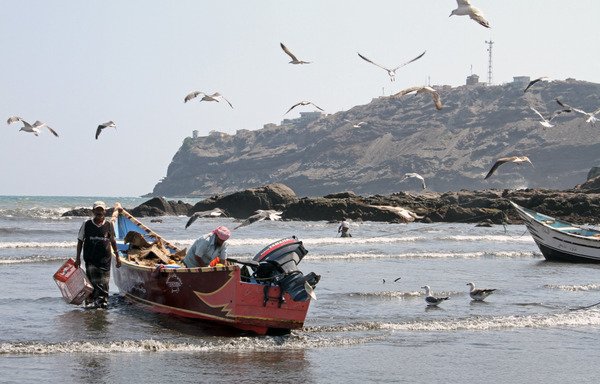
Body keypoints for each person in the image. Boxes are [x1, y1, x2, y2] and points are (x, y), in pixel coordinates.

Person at [75, 201, 121, 309]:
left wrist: (118, 257)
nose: (99, 212)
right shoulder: (86, 224)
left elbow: (113, 241)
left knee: (104, 284)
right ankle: (90, 304)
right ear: (93, 211)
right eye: (97, 210)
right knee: (92, 284)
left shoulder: (109, 224)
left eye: (101, 210)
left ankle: (102, 306)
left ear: (105, 211)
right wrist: (77, 258)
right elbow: (80, 241)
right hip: (91, 259)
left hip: (105, 260)